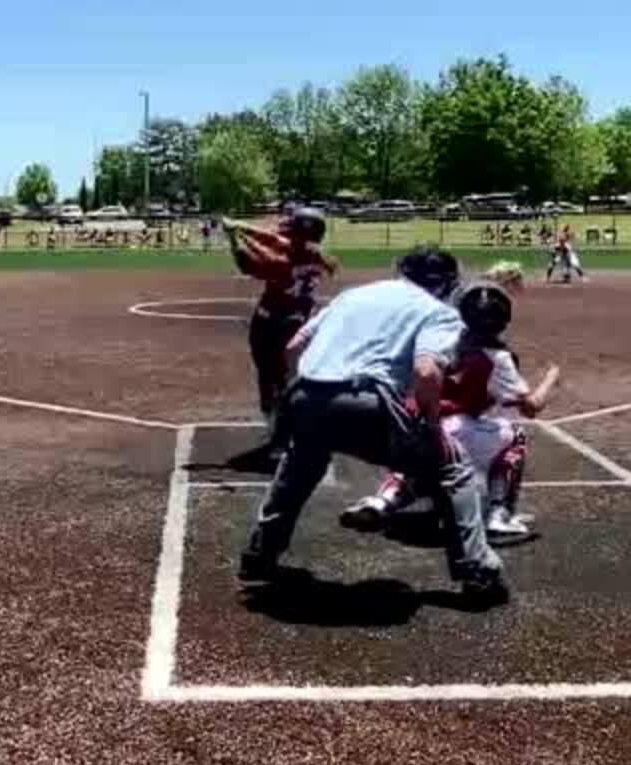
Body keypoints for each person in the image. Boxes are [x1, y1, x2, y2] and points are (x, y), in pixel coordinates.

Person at [237, 245, 510, 604]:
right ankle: (477, 570)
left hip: (305, 395)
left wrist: (293, 398)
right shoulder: (439, 312)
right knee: (453, 468)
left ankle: (259, 556)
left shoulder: (354, 295)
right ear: (445, 283)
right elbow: (426, 371)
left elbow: (293, 347)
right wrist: (429, 427)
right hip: (367, 402)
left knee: (301, 463)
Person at [342, 278, 560, 541]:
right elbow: (531, 407)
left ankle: (380, 503)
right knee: (515, 435)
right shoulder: (497, 357)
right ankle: (500, 515)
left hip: (409, 425)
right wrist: (552, 378)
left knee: (421, 464)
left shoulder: (441, 339)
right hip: (455, 431)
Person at [222, 208, 339, 459]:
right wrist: (242, 225)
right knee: (289, 378)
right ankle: (288, 430)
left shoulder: (282, 263)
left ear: (299, 236)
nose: (286, 235)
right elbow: (276, 240)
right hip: (298, 327)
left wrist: (233, 237)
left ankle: (279, 436)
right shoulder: (317, 257)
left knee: (272, 381)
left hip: (272, 328)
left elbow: (246, 261)